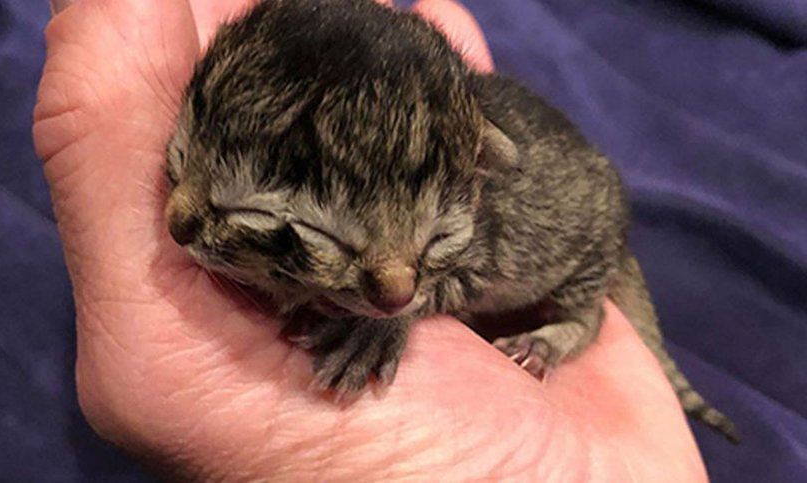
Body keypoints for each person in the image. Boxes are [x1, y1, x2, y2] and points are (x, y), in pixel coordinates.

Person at [35, 0, 707, 480]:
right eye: (181, 155)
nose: (395, 290)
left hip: (573, 233)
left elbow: (412, 279)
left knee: (582, 232)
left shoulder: (456, 204)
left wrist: (391, 319)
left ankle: (578, 323)